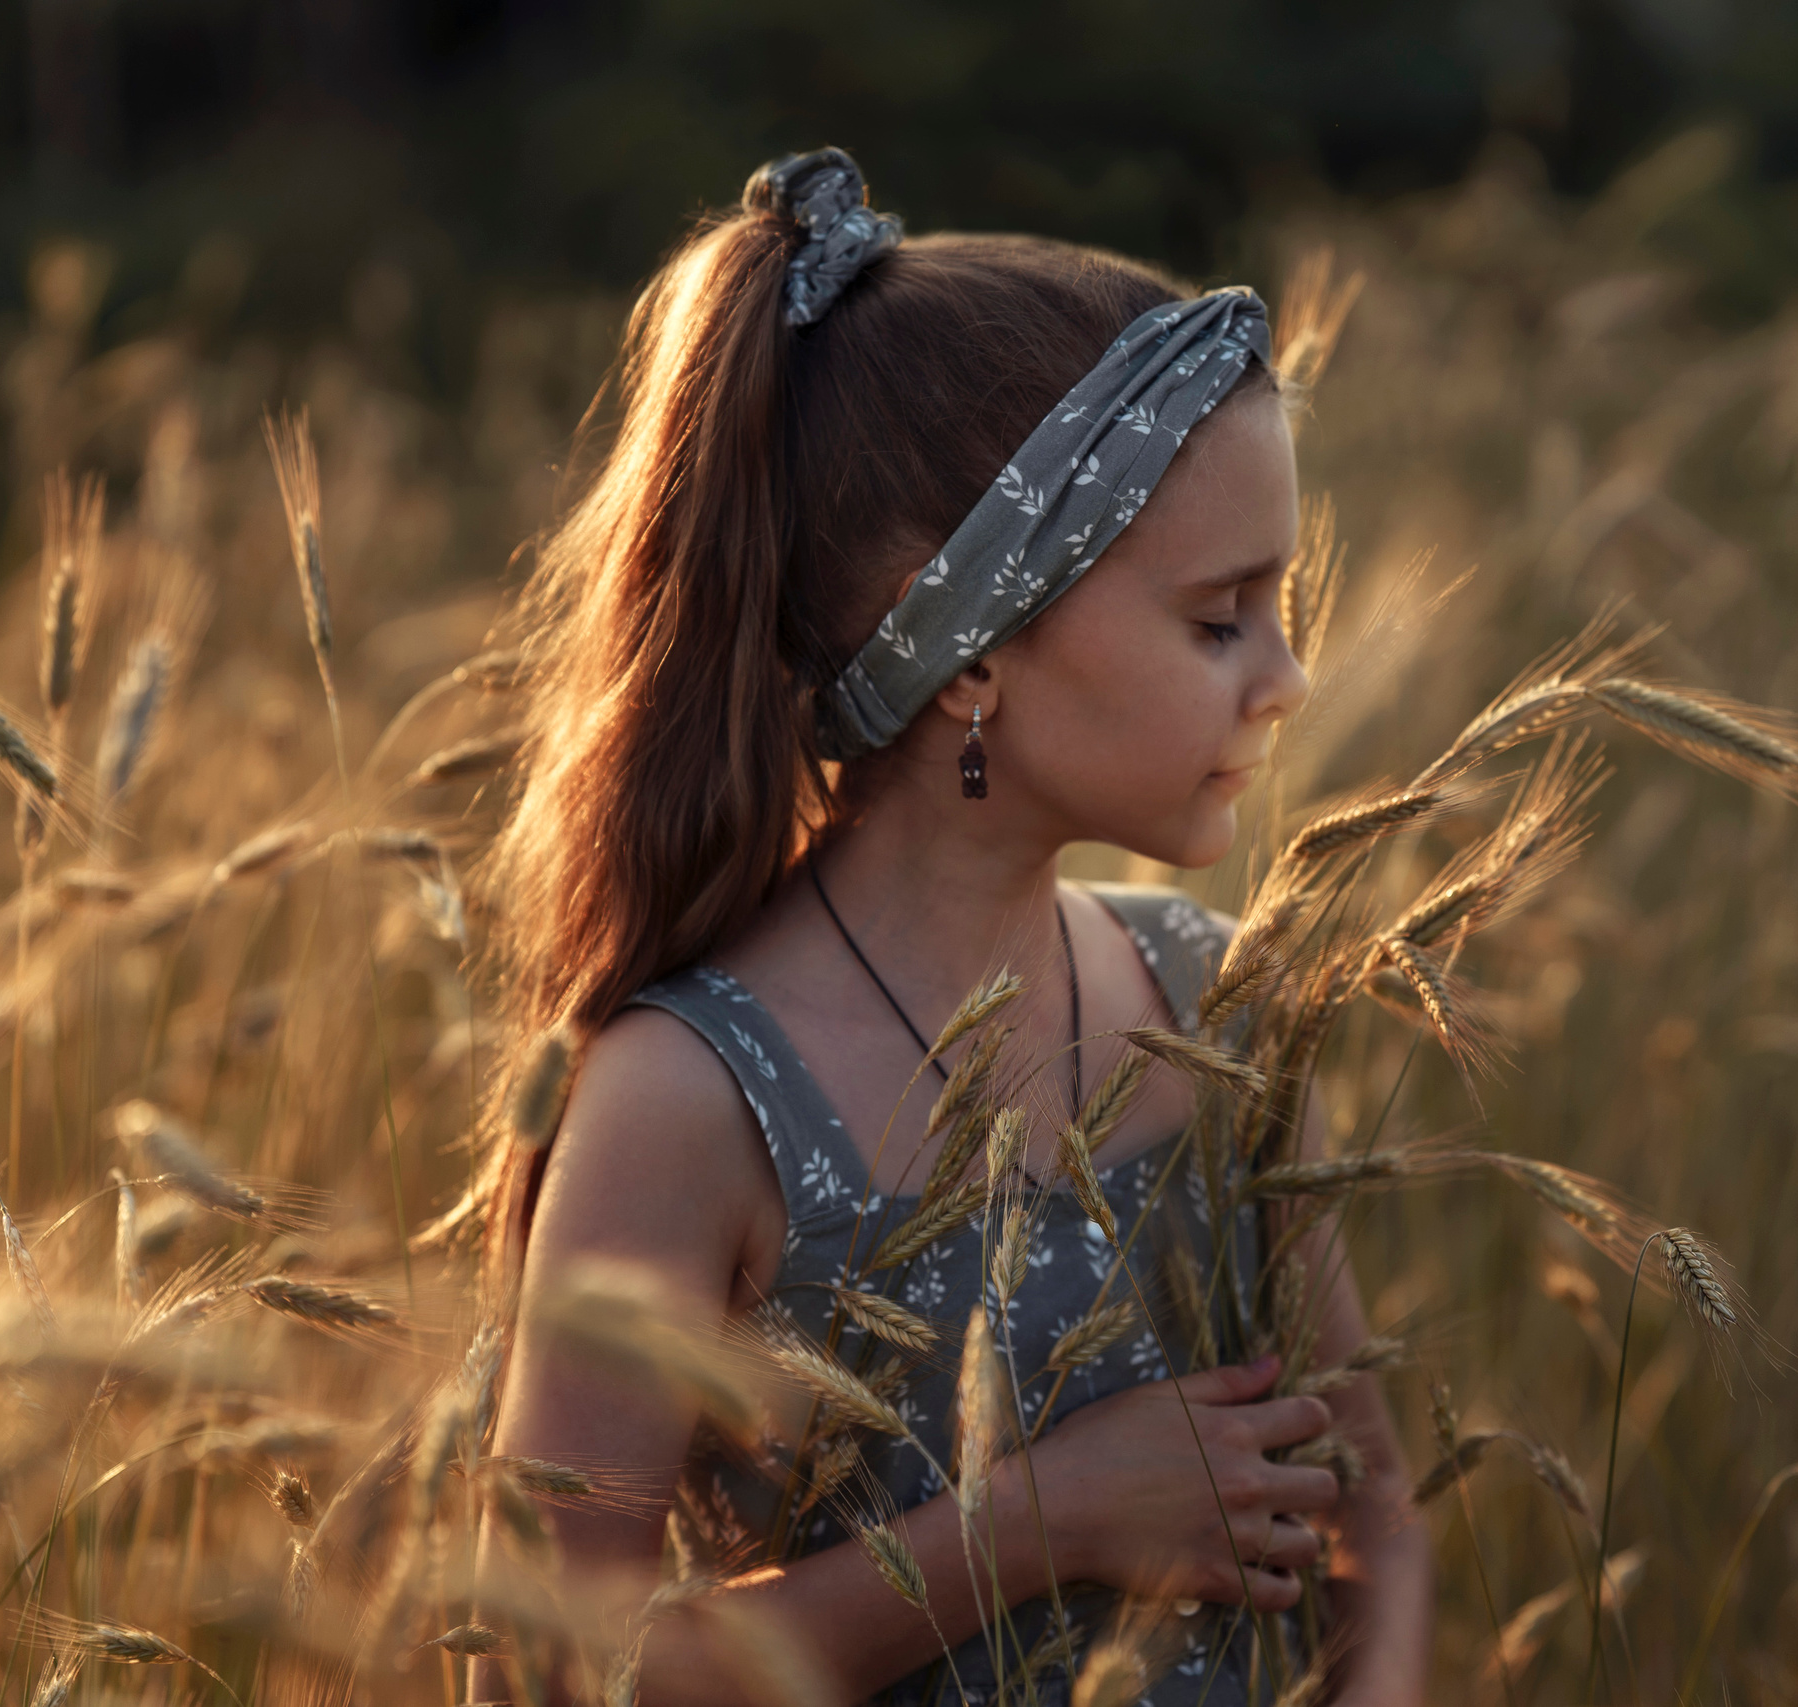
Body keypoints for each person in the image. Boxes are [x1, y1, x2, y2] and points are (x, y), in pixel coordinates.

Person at [476, 146, 1432, 1705]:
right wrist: (1043, 1520)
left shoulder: (1222, 1011)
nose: (1289, 679)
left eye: (1286, 606)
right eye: (1217, 619)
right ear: (968, 643)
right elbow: (550, 1664)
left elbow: (1374, 1513)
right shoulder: (694, 1102)